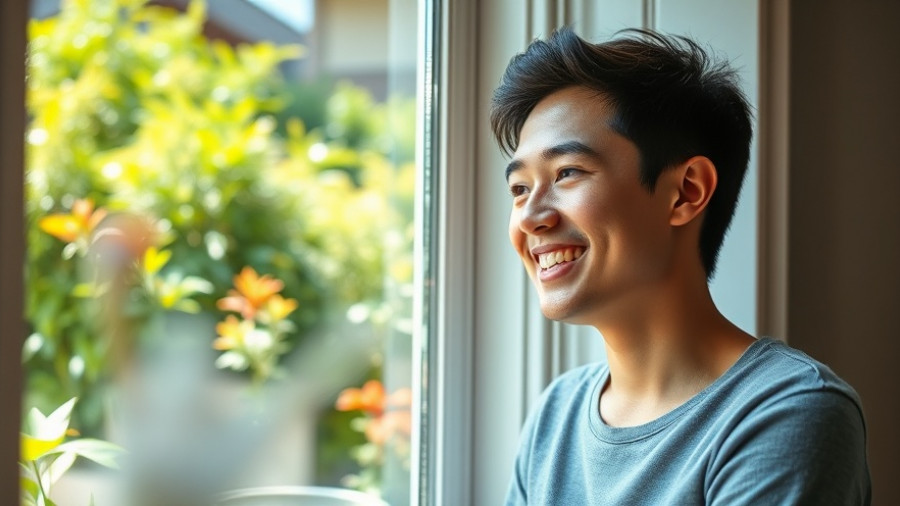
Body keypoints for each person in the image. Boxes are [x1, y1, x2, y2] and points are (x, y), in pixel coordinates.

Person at [491, 27, 871, 505]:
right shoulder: (557, 413)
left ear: (687, 191)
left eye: (567, 172)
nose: (529, 217)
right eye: (520, 188)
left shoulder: (786, 414)